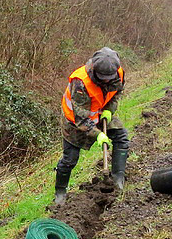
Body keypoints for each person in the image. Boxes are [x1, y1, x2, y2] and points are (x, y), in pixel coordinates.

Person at [54, 47, 129, 205]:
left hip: (100, 114)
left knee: (121, 136)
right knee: (70, 159)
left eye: (110, 77)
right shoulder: (80, 83)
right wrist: (98, 135)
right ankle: (60, 193)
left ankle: (117, 179)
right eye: (103, 78)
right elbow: (80, 120)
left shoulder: (119, 73)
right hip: (74, 122)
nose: (107, 81)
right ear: (95, 71)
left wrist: (109, 110)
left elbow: (117, 93)